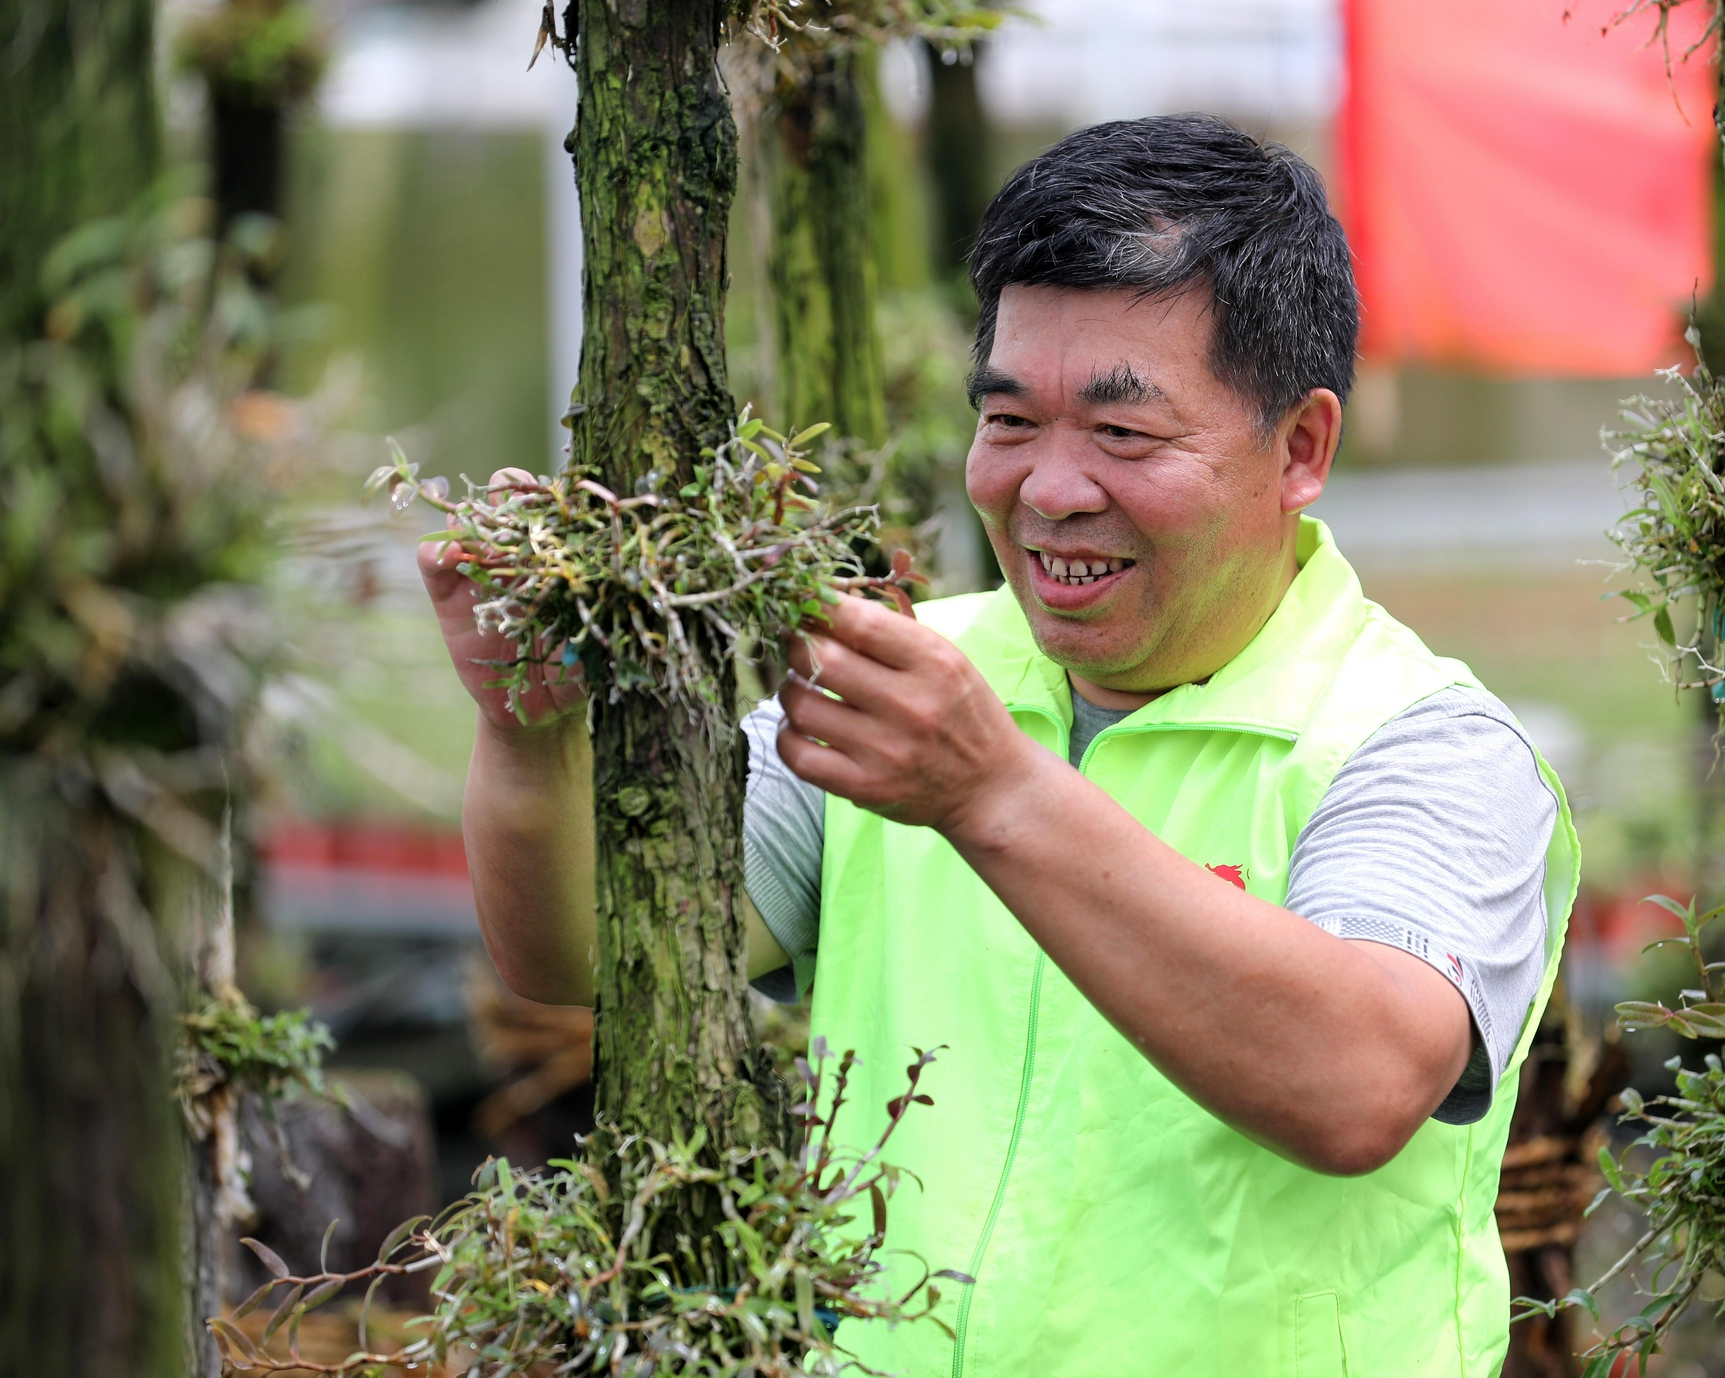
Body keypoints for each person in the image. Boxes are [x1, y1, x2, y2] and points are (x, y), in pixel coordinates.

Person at [424, 113, 1577, 1377]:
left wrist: (988, 792)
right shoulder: (909, 678)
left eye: (1123, 434)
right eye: (1010, 419)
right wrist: (528, 741)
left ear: (1298, 447)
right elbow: (579, 953)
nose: (1049, 488)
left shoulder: (1421, 745)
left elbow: (1355, 1082)